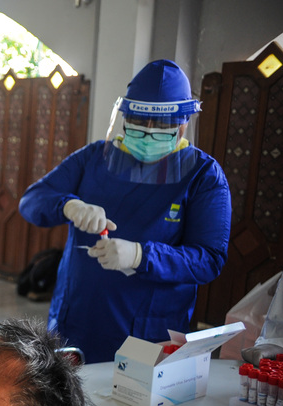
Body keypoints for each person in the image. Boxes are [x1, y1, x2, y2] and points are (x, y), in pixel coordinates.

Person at [19, 59, 231, 364]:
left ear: (183, 124)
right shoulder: (94, 159)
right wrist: (68, 205)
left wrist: (141, 256)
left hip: (149, 330)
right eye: (139, 125)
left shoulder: (203, 175)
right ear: (125, 118)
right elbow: (31, 201)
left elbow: (209, 259)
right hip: (77, 319)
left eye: (160, 128)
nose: (147, 134)